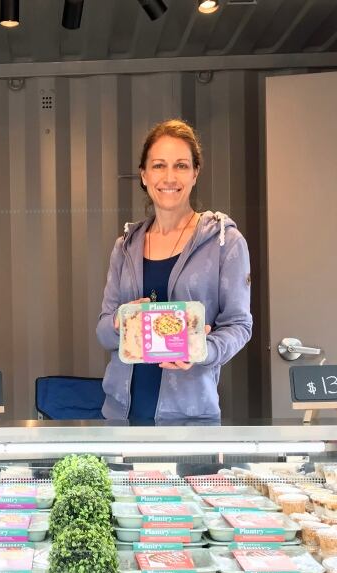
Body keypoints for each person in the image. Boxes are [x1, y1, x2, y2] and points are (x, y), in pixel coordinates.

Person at [96, 119, 252, 421]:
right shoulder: (125, 247)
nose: (169, 177)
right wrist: (120, 321)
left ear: (195, 173)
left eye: (181, 165)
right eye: (158, 166)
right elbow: (103, 331)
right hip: (120, 418)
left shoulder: (225, 241)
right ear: (144, 175)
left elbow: (239, 326)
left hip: (189, 422)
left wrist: (202, 349)